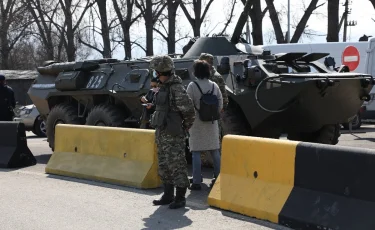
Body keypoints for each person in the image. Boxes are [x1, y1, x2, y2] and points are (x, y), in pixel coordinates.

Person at [149, 55, 195, 209]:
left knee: (177, 165)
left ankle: (180, 198)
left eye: (157, 73)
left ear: (164, 72)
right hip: (162, 133)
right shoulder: (164, 87)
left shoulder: (176, 88)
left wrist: (186, 126)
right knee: (164, 165)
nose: (156, 75)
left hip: (174, 134)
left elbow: (188, 110)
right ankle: (168, 194)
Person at [186, 60, 223, 190]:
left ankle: (196, 181)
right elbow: (220, 103)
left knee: (196, 151)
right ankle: (218, 177)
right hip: (212, 122)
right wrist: (212, 114)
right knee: (214, 150)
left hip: (196, 122)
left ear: (195, 72)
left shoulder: (192, 85)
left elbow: (187, 104)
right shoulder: (214, 85)